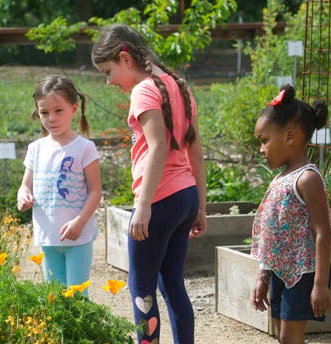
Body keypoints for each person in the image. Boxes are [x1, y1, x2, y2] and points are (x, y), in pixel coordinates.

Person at [91, 24, 207, 344]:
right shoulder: (178, 85)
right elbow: (194, 149)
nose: (109, 81)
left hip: (159, 199)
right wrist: (201, 205)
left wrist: (142, 206)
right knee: (172, 285)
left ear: (125, 57)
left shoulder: (143, 90)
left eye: (108, 71)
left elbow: (157, 147)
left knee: (141, 288)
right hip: (184, 197)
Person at [250, 85, 331, 344]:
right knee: (282, 335)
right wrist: (263, 276)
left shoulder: (307, 179)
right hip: (281, 271)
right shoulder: (280, 179)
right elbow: (272, 234)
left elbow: (322, 232)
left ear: (290, 137)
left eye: (265, 140)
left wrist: (320, 284)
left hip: (304, 273)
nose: (262, 148)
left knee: (290, 337)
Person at [17, 75, 102, 296]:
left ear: (74, 109)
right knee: (54, 298)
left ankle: (80, 333)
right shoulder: (36, 148)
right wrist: (23, 195)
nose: (51, 118)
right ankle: (61, 333)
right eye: (44, 112)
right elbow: (25, 185)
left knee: (77, 296)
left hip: (77, 236)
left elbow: (95, 191)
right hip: (47, 235)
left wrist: (80, 222)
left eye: (58, 111)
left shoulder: (85, 147)